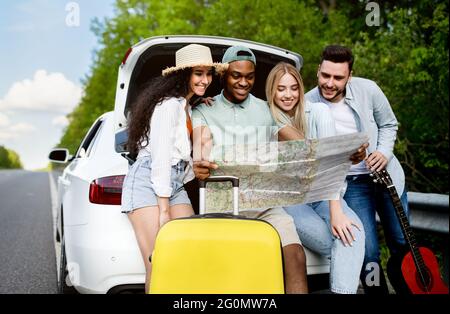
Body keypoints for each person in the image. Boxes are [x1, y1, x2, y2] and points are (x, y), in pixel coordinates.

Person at [192, 46, 308, 294]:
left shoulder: (266, 109)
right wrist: (199, 165)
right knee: (236, 268)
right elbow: (200, 148)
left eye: (250, 76)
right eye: (236, 76)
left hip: (264, 200)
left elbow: (302, 145)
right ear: (223, 75)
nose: (243, 82)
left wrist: (338, 150)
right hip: (223, 200)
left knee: (295, 255)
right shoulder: (203, 109)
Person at [121, 44, 227, 293]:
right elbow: (160, 158)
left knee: (188, 253)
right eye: (198, 74)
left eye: (208, 73)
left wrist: (199, 101)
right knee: (159, 263)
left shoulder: (185, 106)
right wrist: (164, 210)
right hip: (150, 182)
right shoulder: (168, 106)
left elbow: (180, 159)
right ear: (184, 74)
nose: (206, 79)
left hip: (174, 182)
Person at [305, 45, 409, 294]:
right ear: (318, 70)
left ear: (349, 76)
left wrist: (383, 152)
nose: (330, 83)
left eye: (338, 78)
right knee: (368, 253)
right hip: (351, 186)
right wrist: (346, 159)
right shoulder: (306, 103)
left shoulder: (368, 89)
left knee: (401, 243)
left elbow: (389, 124)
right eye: (325, 76)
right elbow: (313, 155)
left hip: (387, 178)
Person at [265, 62, 365, 294]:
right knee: (341, 243)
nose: (288, 95)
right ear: (271, 90)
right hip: (290, 200)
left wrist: (336, 211)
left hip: (322, 194)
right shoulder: (267, 117)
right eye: (281, 89)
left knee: (353, 233)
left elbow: (331, 161)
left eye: (293, 88)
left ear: (300, 89)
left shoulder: (319, 112)